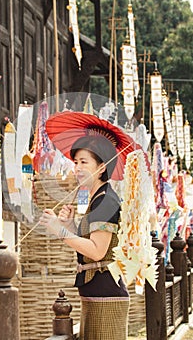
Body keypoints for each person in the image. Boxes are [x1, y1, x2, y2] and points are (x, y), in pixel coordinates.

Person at [38, 135, 130, 339]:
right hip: (95, 294)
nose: (77, 168)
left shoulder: (106, 201)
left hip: (107, 296)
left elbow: (97, 252)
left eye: (84, 162)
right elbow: (86, 246)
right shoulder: (96, 198)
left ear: (101, 167)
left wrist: (59, 230)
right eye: (76, 162)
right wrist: (68, 225)